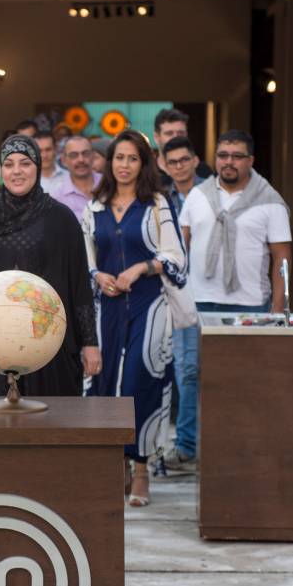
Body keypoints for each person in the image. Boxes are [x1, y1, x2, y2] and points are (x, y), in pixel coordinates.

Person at [173, 130, 292, 471]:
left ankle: (241, 447)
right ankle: (185, 447)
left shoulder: (270, 201)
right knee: (191, 375)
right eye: (223, 155)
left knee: (243, 379)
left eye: (237, 156)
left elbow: (281, 260)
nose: (228, 161)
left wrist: (278, 309)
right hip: (199, 303)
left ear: (250, 161)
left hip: (250, 306)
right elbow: (180, 250)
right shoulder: (197, 196)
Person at [82, 131, 187, 507]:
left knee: (139, 380)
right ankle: (117, 465)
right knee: (106, 383)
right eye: (118, 158)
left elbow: (177, 258)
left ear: (143, 164)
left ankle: (141, 467)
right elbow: (86, 259)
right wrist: (98, 277)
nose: (123, 165)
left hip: (149, 304)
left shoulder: (156, 203)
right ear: (109, 162)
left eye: (132, 158)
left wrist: (142, 267)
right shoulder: (94, 206)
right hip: (106, 308)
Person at [0, 134, 101, 398]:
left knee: (50, 425)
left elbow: (80, 284)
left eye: (25, 163)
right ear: (0, 169)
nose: (16, 171)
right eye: (9, 164)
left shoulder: (61, 218)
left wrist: (90, 343)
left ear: (38, 165)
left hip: (48, 339)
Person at [160, 136, 206, 474]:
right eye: (172, 161)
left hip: (215, 291)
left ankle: (207, 443)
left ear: (195, 160)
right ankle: (186, 445)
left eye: (184, 160)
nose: (178, 166)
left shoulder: (211, 194)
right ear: (164, 164)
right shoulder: (159, 198)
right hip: (176, 294)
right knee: (184, 371)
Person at [46, 135, 102, 223]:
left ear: (93, 156)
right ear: (64, 160)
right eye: (73, 155)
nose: (81, 159)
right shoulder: (57, 197)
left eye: (85, 153)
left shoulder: (108, 184)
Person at [153, 108, 213, 182]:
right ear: (156, 137)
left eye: (181, 133)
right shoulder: (146, 172)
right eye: (169, 133)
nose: (176, 137)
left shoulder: (203, 171)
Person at [0, 120, 38, 195]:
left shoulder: (51, 166)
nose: (26, 144)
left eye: (30, 139)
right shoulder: (0, 169)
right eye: (22, 140)